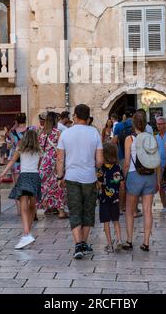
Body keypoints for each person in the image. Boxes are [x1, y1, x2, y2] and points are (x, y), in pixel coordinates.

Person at [56, 104, 103, 259]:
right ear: (88, 117)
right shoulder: (95, 133)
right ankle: (83, 242)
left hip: (71, 177)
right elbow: (100, 161)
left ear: (75, 116)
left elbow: (60, 158)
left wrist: (59, 176)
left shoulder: (66, 134)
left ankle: (78, 245)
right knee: (88, 210)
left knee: (75, 210)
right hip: (89, 177)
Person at [0, 129, 42, 249]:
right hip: (35, 177)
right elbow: (38, 166)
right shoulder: (39, 150)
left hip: (24, 176)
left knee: (23, 207)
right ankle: (27, 233)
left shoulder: (20, 149)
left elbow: (11, 161)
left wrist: (3, 174)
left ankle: (26, 234)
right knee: (32, 205)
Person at [122, 113, 160, 252]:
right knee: (147, 210)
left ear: (133, 124)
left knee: (130, 210)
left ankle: (129, 240)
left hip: (134, 175)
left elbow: (126, 162)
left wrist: (124, 178)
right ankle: (146, 242)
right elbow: (155, 160)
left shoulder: (130, 139)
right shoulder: (151, 138)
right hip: (150, 176)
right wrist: (157, 179)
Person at [37, 112, 68, 219]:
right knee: (58, 185)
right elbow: (61, 149)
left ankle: (48, 208)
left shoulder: (41, 133)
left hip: (44, 162)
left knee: (45, 185)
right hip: (54, 161)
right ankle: (61, 211)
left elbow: (39, 150)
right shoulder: (58, 133)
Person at [97, 143, 124, 253]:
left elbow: (99, 184)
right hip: (115, 199)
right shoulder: (118, 167)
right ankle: (119, 240)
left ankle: (109, 244)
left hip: (104, 199)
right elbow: (122, 184)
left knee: (106, 222)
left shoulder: (101, 169)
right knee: (116, 220)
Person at [8, 113, 29, 215]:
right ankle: (27, 208)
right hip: (28, 160)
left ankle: (19, 210)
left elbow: (12, 144)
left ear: (16, 121)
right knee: (28, 185)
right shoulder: (31, 130)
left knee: (17, 185)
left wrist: (15, 125)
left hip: (17, 161)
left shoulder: (12, 132)